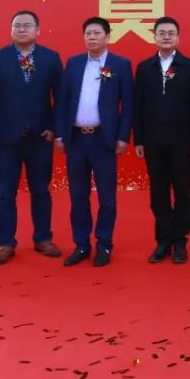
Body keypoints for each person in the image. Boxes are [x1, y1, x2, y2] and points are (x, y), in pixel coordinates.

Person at [0, 10, 64, 265]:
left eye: (27, 25)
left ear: (38, 30)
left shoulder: (50, 58)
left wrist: (54, 127)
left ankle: (42, 238)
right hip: (5, 138)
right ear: (11, 30)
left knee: (41, 191)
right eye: (17, 25)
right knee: (5, 194)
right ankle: (6, 242)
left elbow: (61, 97)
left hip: (40, 137)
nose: (22, 29)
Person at [55, 17, 133, 267]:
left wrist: (123, 137)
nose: (92, 37)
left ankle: (104, 245)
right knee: (78, 196)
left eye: (97, 33)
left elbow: (128, 106)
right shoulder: (74, 63)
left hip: (104, 140)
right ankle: (81, 245)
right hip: (76, 139)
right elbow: (63, 101)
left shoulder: (120, 65)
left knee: (107, 198)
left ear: (107, 36)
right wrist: (60, 134)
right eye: (88, 33)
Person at [133, 16, 190, 264]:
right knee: (158, 192)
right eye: (161, 33)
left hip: (182, 141)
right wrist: (138, 139)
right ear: (154, 36)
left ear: (178, 37)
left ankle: (180, 240)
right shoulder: (145, 67)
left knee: (182, 191)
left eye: (171, 33)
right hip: (153, 141)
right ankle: (163, 240)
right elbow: (137, 106)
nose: (166, 37)